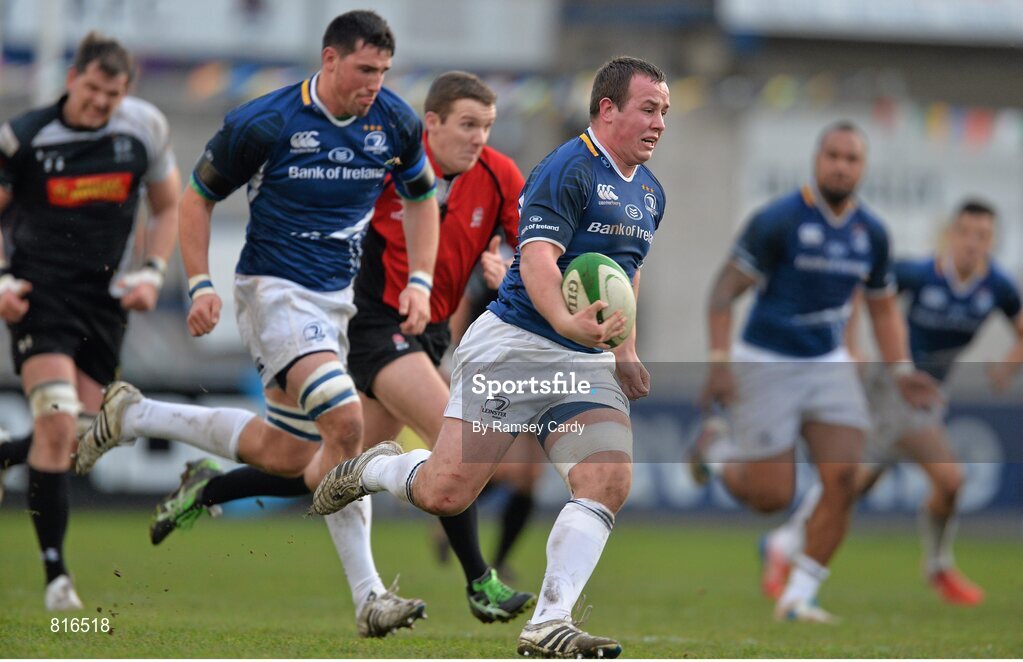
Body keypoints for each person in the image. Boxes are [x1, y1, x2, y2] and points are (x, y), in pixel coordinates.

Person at [74, 11, 440, 637]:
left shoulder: (396, 122)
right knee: (347, 422)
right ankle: (369, 597)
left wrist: (421, 280)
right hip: (272, 293)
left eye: (382, 71)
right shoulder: (266, 121)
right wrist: (198, 284)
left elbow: (422, 198)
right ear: (329, 61)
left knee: (291, 455)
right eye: (362, 69)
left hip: (333, 304)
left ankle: (132, 415)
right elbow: (196, 197)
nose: (373, 83)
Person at [310, 55, 670, 659]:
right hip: (517, 345)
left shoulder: (651, 194)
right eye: (649, 109)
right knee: (447, 493)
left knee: (607, 479)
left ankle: (549, 622)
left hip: (581, 360)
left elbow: (620, 276)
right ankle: (374, 469)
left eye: (664, 112)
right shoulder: (568, 168)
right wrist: (565, 321)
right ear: (608, 110)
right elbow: (536, 261)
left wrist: (625, 349)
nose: (659, 122)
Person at [144, 71, 535, 623]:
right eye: (467, 125)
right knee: (453, 433)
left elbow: (533, 254)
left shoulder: (499, 176)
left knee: (326, 471)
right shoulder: (389, 163)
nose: (478, 138)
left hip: (430, 330)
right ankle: (480, 582)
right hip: (370, 324)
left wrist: (508, 268)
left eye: (487, 127)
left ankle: (208, 490)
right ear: (433, 124)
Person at [691, 121, 941, 623]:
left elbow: (883, 309)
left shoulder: (871, 234)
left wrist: (901, 369)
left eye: (851, 158)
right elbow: (722, 293)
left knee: (845, 477)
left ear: (863, 168)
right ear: (817, 159)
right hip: (766, 362)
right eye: (833, 155)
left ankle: (799, 596)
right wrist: (719, 363)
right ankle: (714, 452)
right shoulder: (779, 220)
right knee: (771, 497)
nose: (841, 165)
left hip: (829, 365)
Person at [761, 199, 1023, 607]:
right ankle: (936, 566)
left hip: (928, 396)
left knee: (858, 482)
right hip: (894, 386)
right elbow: (862, 291)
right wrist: (851, 346)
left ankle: (783, 544)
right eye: (966, 233)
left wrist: (1007, 368)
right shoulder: (921, 274)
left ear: (993, 242)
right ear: (950, 235)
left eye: (983, 236)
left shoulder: (998, 287)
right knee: (947, 480)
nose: (972, 243)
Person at [0, 32, 180, 610]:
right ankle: (57, 579)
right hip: (40, 297)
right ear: (73, 78)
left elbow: (169, 202)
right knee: (56, 424)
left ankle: (8, 452)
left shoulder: (143, 129)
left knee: (80, 439)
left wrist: (153, 270)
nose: (101, 103)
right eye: (94, 90)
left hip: (104, 303)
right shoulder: (24, 136)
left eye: (114, 93)